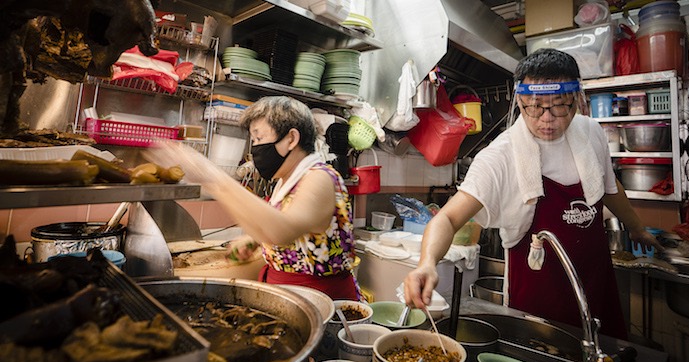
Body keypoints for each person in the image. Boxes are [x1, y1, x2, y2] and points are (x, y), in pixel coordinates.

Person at [403, 49, 662, 339]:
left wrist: (637, 229)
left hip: (595, 283)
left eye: (559, 106)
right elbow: (448, 219)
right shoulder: (500, 157)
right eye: (534, 107)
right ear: (520, 101)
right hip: (538, 300)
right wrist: (426, 263)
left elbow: (610, 188)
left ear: (576, 100)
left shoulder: (591, 134)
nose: (546, 118)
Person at [151, 96, 362, 300]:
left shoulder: (320, 177)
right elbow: (286, 226)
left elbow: (282, 230)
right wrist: (255, 239)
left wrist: (213, 178)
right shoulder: (286, 181)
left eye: (259, 138)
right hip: (290, 294)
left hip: (323, 301)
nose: (255, 148)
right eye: (253, 140)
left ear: (291, 139)